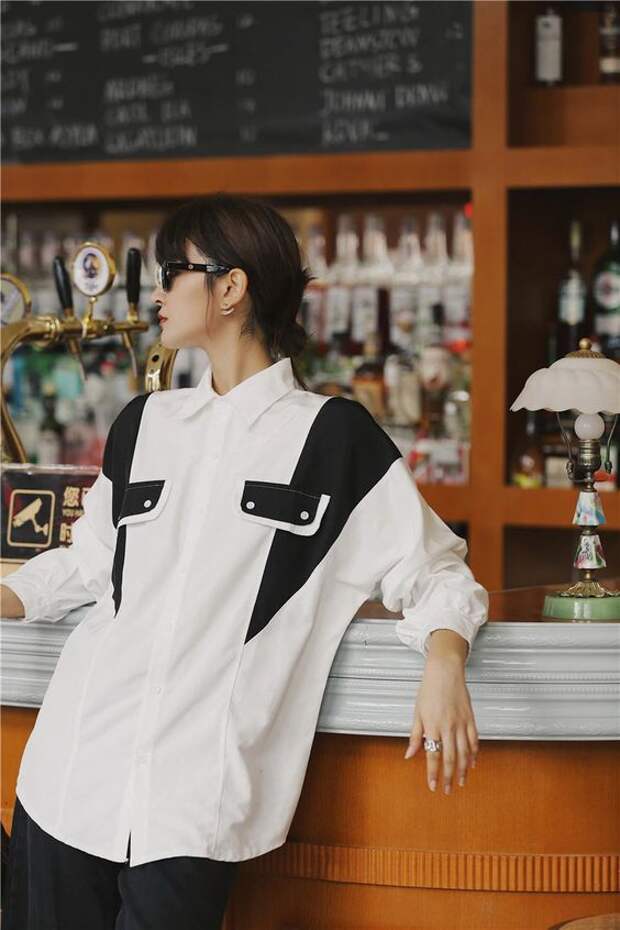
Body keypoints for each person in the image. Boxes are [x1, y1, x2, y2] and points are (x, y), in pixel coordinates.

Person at [1, 193, 489, 928]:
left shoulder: (335, 441)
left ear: (230, 287)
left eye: (173, 272)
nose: (158, 292)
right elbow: (88, 563)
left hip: (196, 802)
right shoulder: (144, 422)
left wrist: (445, 662)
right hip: (71, 772)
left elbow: (439, 573)